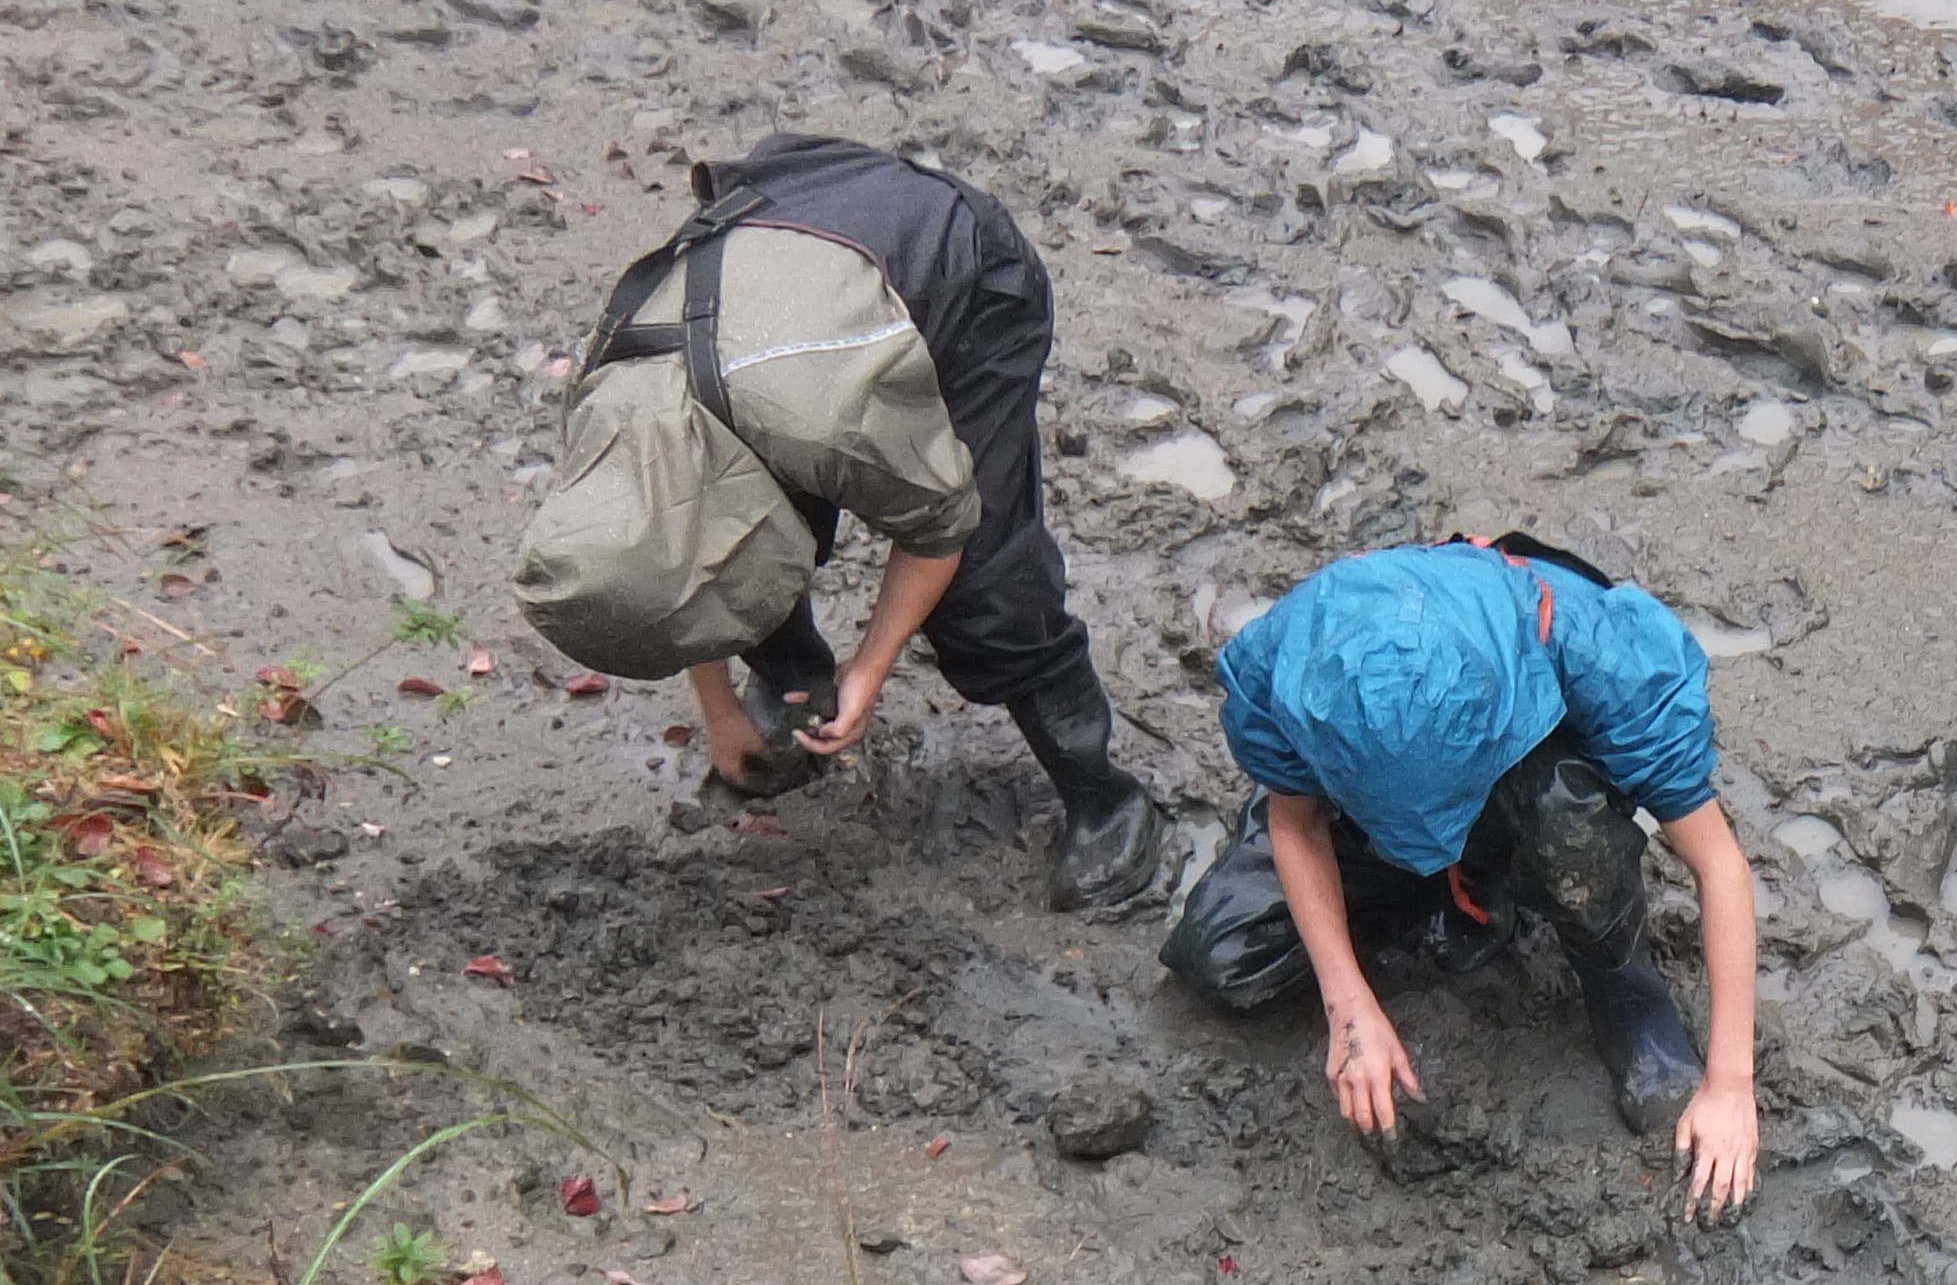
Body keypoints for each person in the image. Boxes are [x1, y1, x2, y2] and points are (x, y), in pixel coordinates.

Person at [511, 133, 1164, 911]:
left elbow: (939, 526)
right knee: (738, 554)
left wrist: (870, 670)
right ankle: (793, 685)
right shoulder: (604, 422)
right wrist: (719, 712)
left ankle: (1102, 794)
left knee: (986, 592)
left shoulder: (823, 423)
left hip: (954, 273)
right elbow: (660, 570)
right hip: (788, 262)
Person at [1161, 535, 1761, 1215]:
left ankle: (1618, 979)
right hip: (1360, 798)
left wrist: (1731, 1082)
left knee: (1565, 811)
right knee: (1223, 952)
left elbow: (1719, 865)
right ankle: (1430, 890)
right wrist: (1348, 1006)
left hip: (1522, 781)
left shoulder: (1604, 658)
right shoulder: (1299, 662)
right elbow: (1296, 824)